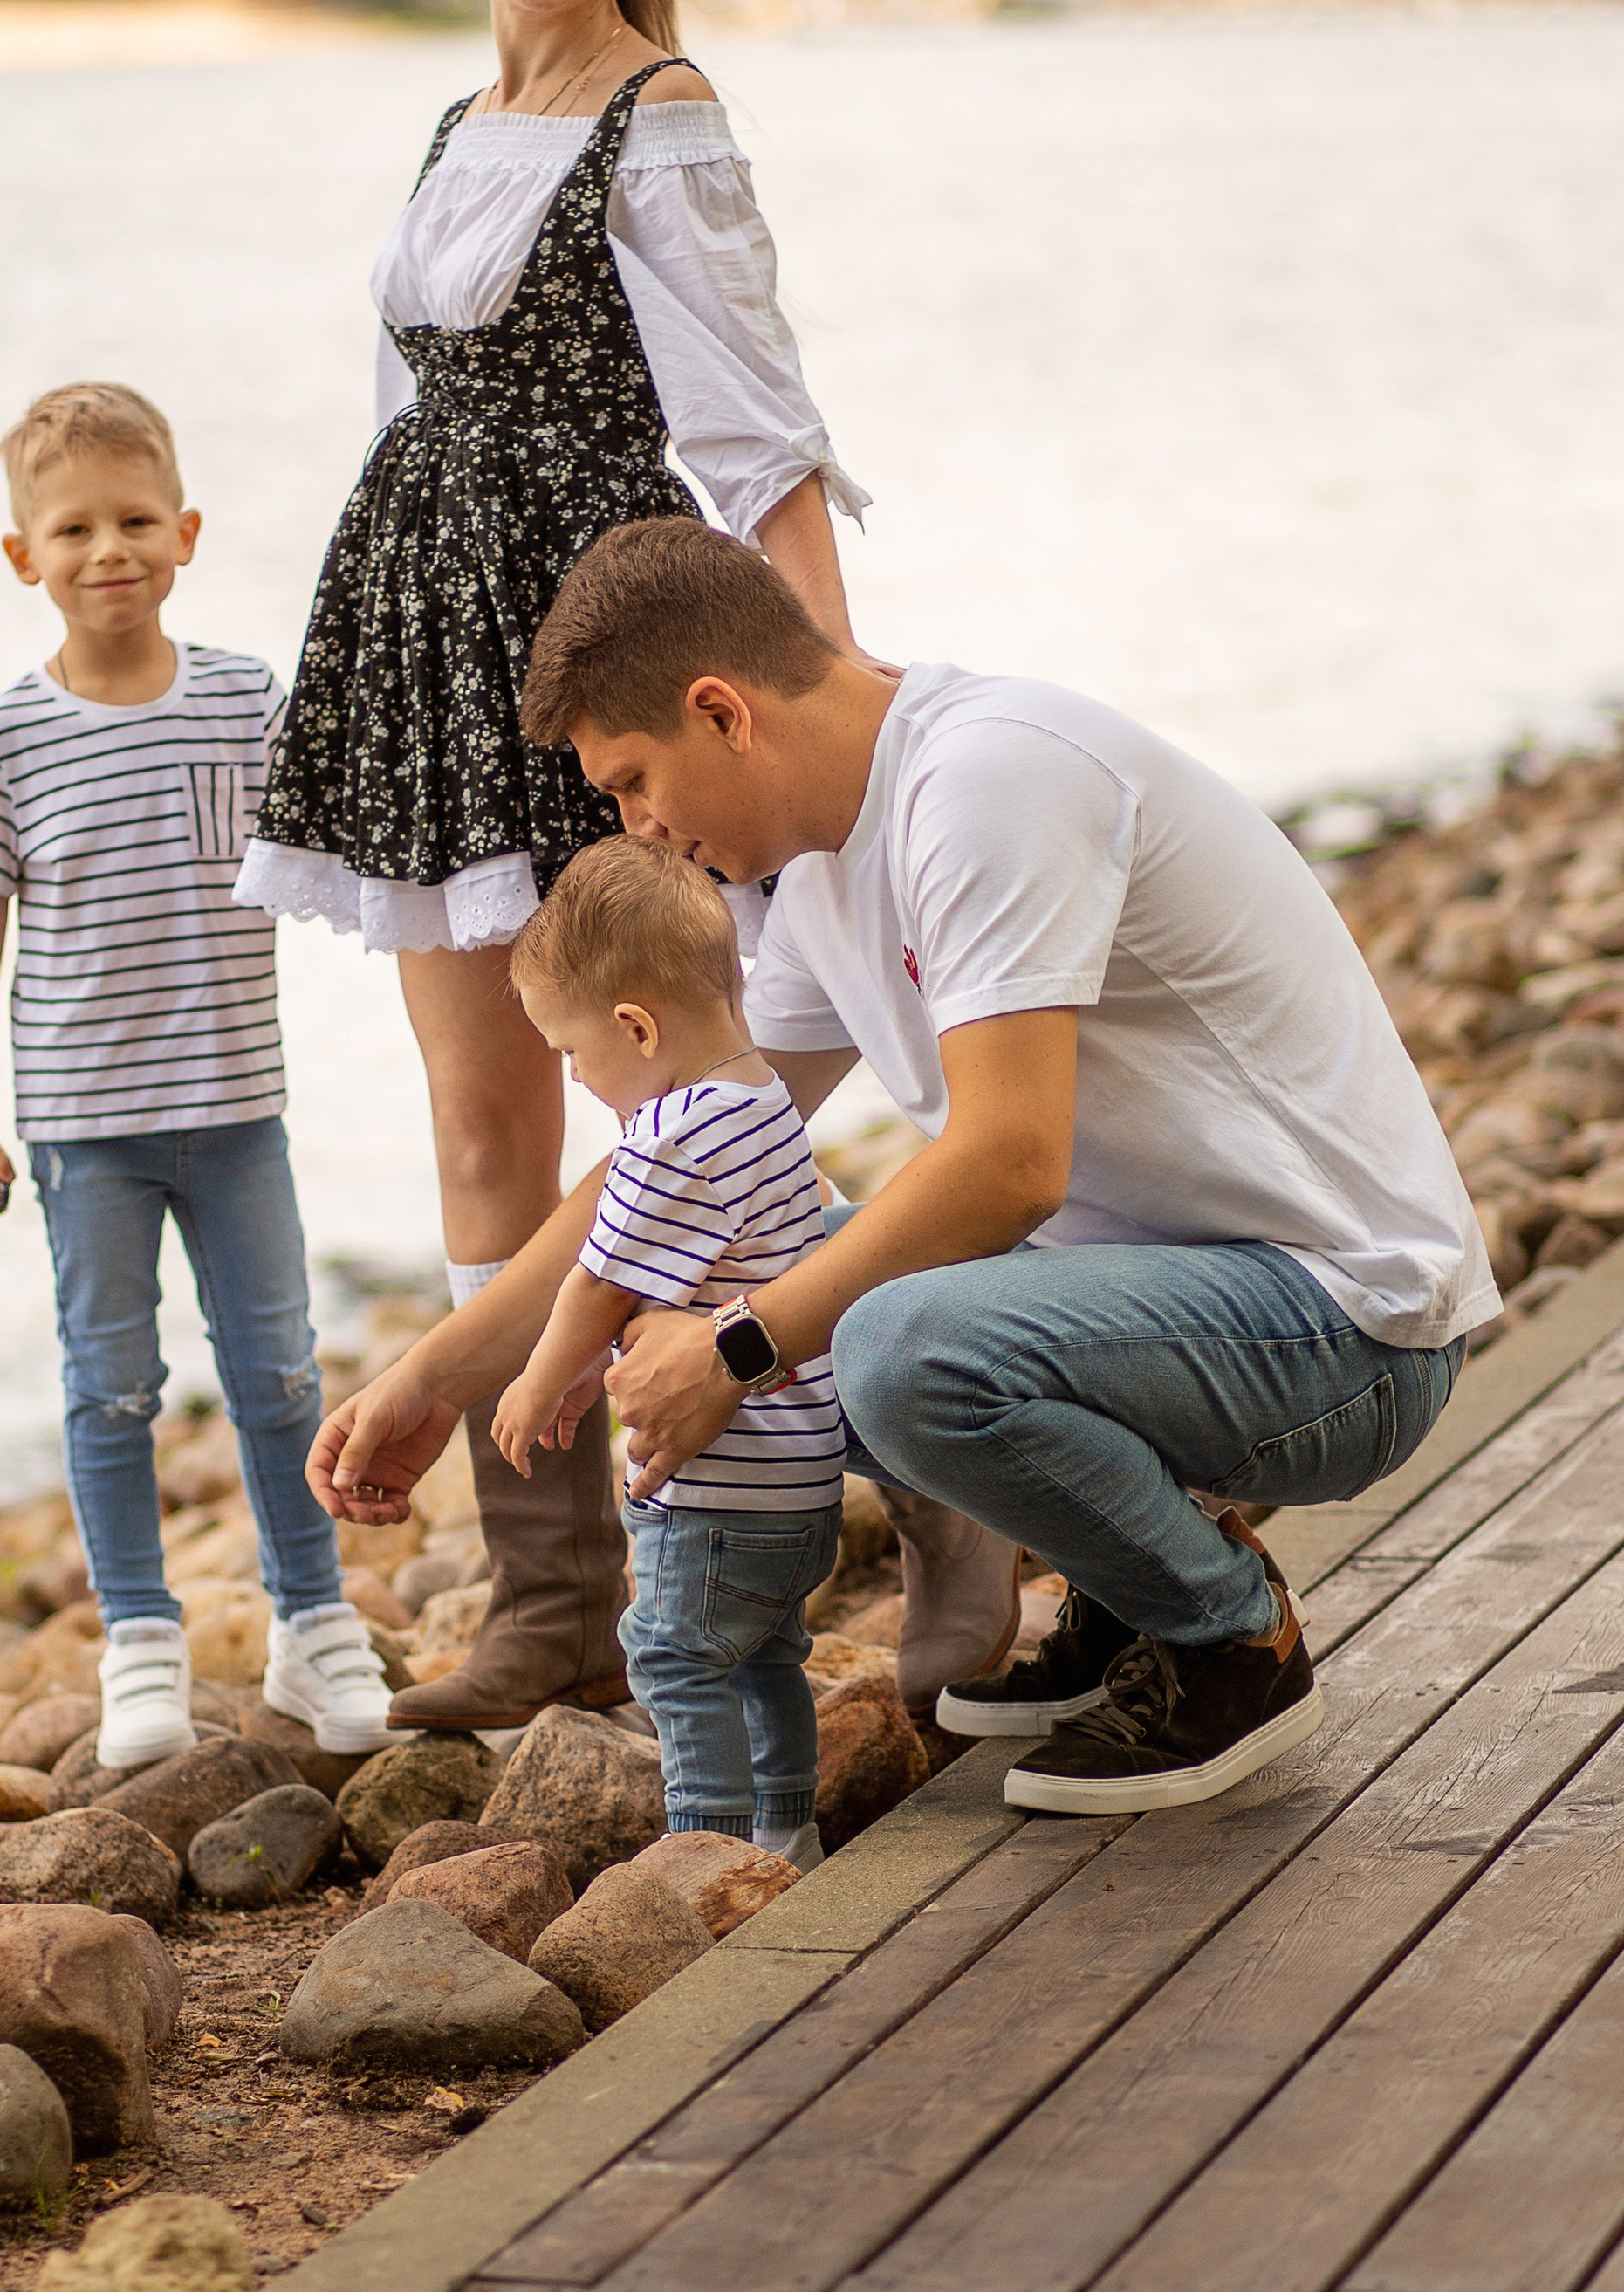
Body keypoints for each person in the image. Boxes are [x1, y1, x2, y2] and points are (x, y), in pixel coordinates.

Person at [310, 517, 1498, 1814]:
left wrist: (740, 1348)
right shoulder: (819, 873)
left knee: (882, 1342)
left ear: (723, 712)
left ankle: (1228, 1641)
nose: (639, 829)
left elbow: (1008, 1164)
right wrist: (437, 1372)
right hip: (1191, 1307)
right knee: (782, 1264)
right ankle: (1134, 1592)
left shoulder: (988, 784)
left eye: (636, 781)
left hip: (1349, 1329)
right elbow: (657, 1177)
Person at [235, 0, 877, 1733]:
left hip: (592, 643)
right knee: (475, 1114)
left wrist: (825, 705)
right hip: (419, 642)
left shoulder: (660, 116)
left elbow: (760, 433)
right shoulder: (450, 127)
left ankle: (706, 1538)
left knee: (659, 1100)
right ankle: (543, 1602)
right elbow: (391, 405)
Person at [0, 381, 400, 1772]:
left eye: (136, 519)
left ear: (185, 532)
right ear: (25, 558)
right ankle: (140, 1640)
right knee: (111, 1385)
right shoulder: (9, 735)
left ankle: (315, 1630)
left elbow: (338, 840)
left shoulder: (247, 700)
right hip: (84, 1133)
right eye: (72, 529)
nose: (108, 550)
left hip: (239, 1112)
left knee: (278, 1375)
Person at [496, 838, 844, 1868]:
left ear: (634, 1026)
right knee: (767, 1656)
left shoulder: (670, 1132)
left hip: (717, 1488)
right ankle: (788, 1832)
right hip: (798, 1471)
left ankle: (703, 1857)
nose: (573, 1073)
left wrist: (536, 1377)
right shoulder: (765, 1102)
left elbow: (598, 1282)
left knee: (673, 1659)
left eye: (570, 1051)